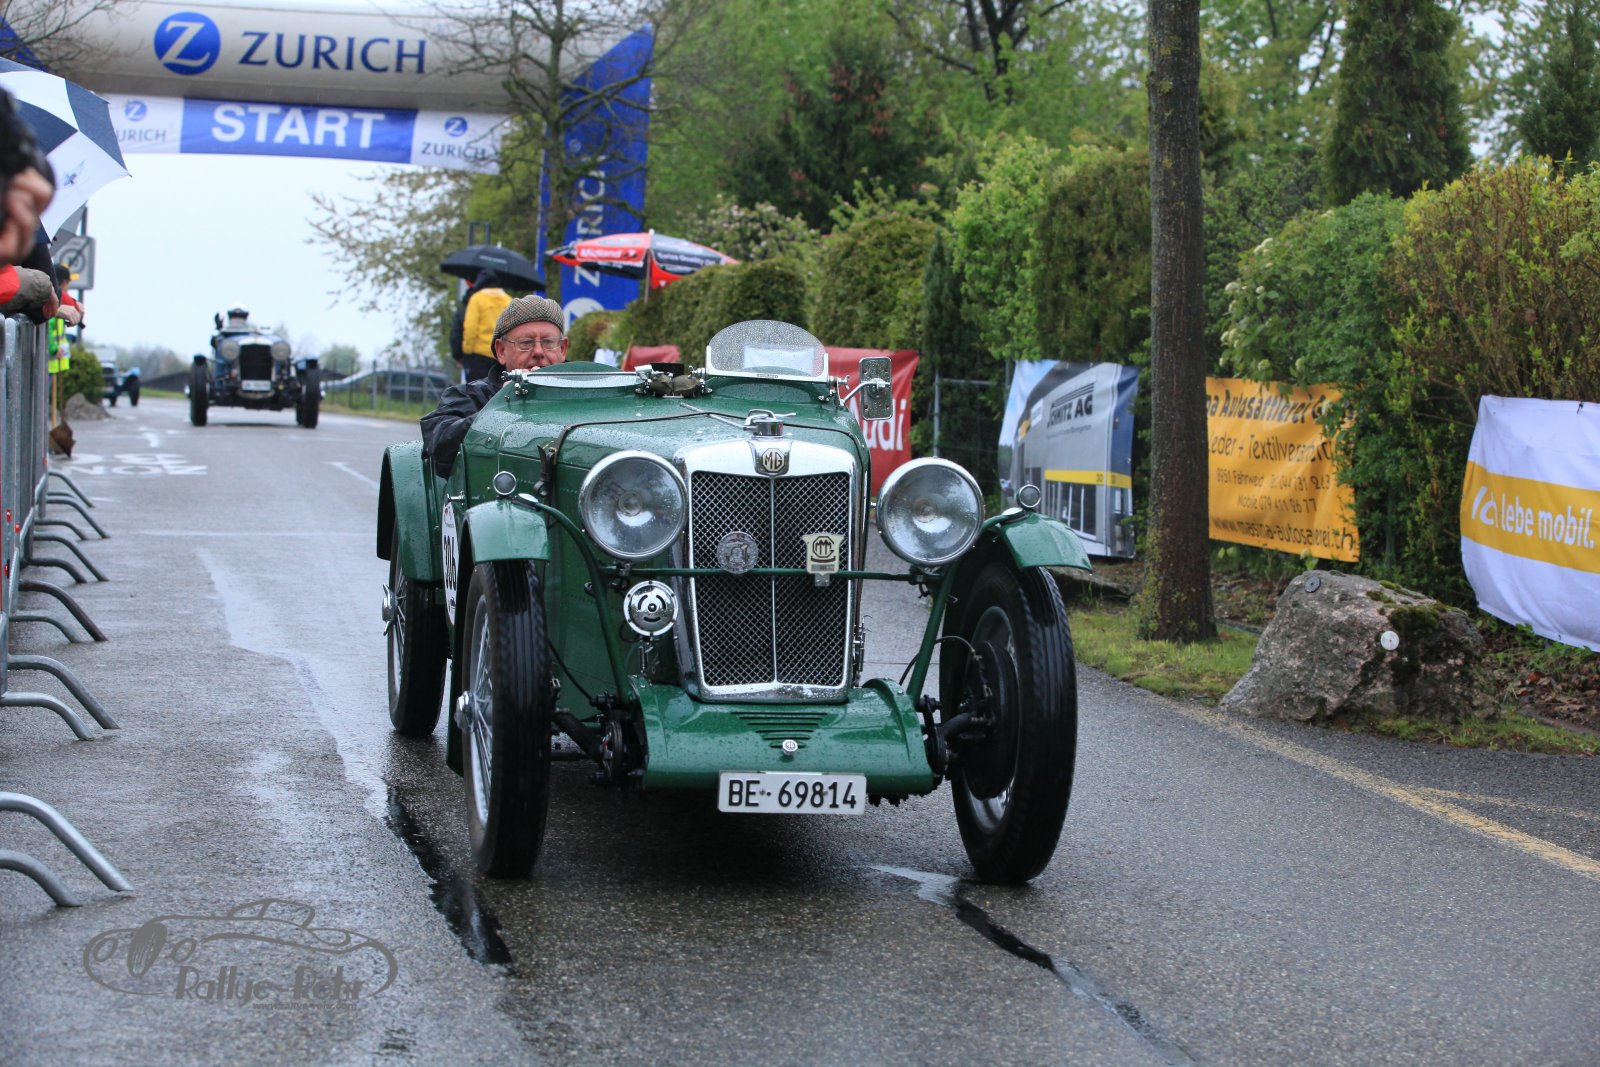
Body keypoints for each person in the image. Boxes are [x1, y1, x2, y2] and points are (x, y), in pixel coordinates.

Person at [422, 295, 567, 478]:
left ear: (562, 349)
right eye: (525, 343)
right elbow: (440, 446)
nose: (538, 352)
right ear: (501, 351)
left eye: (548, 343)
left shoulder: (589, 394)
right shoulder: (470, 396)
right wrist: (503, 404)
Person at [458, 269, 511, 382]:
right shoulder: (508, 300)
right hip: (501, 354)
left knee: (477, 389)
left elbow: (470, 328)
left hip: (479, 355)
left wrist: (467, 351)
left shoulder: (477, 299)